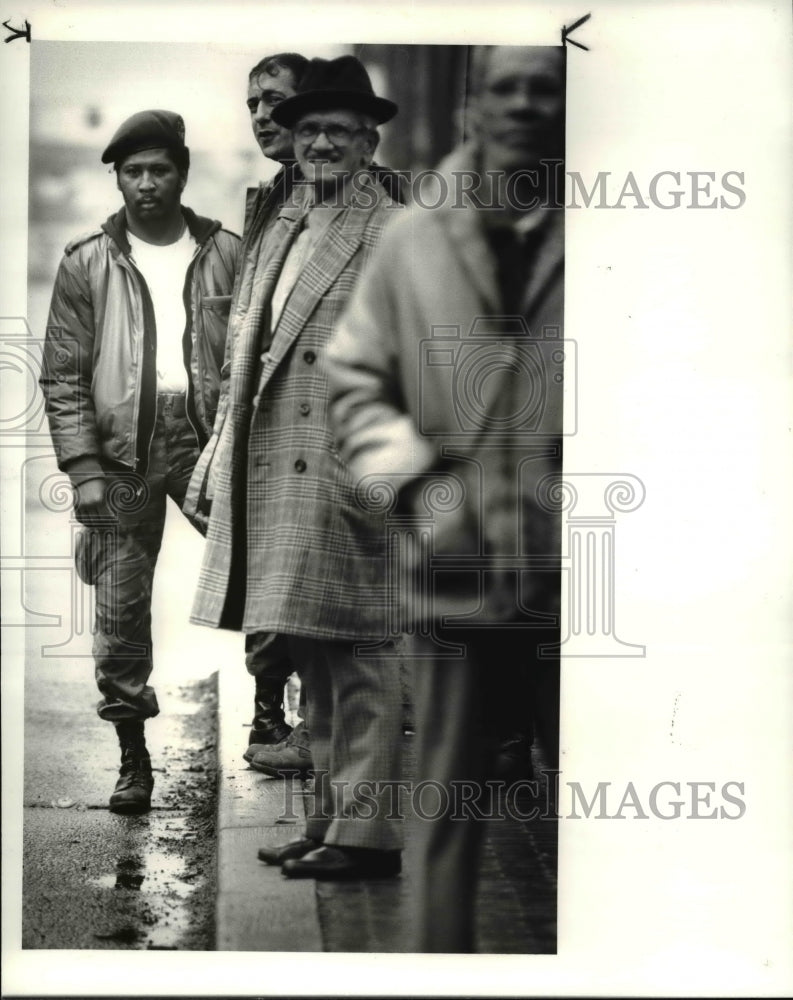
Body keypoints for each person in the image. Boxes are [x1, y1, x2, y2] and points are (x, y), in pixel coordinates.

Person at [327, 46, 565, 946]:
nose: (523, 105)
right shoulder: (415, 234)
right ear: (471, 104)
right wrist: (419, 485)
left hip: (587, 565)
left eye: (542, 88)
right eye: (503, 87)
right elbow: (353, 378)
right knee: (447, 796)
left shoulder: (613, 228)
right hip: (454, 561)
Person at [190, 56, 405, 879]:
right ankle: (329, 825)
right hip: (280, 465)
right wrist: (218, 457)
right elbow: (246, 360)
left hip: (347, 467)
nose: (320, 142)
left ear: (367, 141)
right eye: (309, 128)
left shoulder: (390, 228)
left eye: (339, 131)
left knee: (360, 655)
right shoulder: (283, 222)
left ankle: (367, 837)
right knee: (314, 653)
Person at [39, 110, 240, 814]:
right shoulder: (86, 261)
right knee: (120, 612)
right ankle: (133, 762)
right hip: (122, 460)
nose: (147, 183)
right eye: (133, 171)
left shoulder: (225, 252)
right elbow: (63, 377)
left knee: (269, 565)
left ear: (182, 173)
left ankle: (274, 710)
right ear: (117, 178)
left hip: (204, 444)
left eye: (160, 169)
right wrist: (84, 470)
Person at [186, 52, 313, 770]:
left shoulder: (365, 201)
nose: (263, 117)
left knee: (306, 576)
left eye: (275, 102)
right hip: (258, 413)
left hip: (313, 416)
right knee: (260, 566)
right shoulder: (267, 199)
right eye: (253, 105)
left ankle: (309, 724)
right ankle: (269, 716)